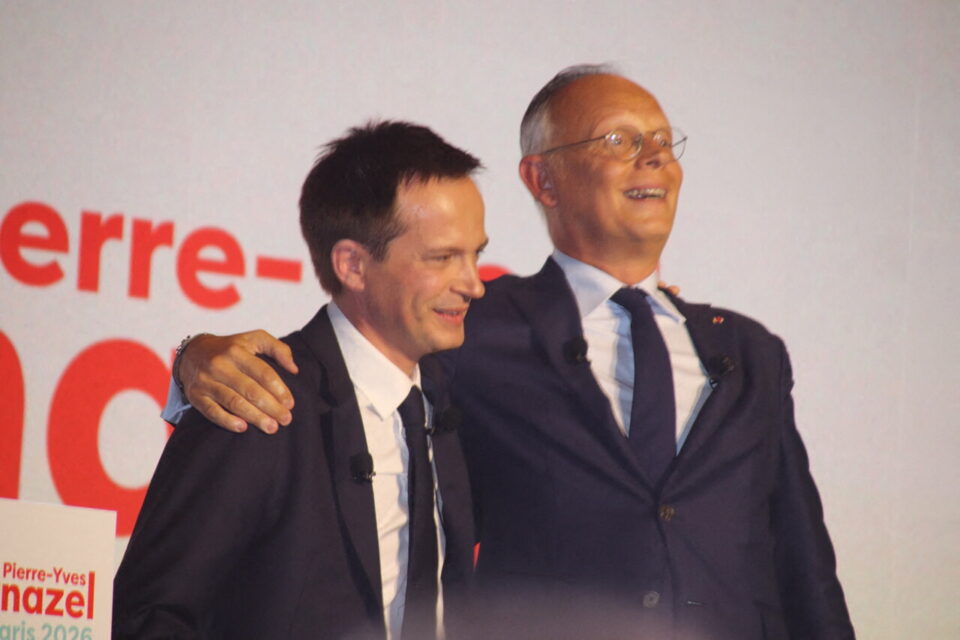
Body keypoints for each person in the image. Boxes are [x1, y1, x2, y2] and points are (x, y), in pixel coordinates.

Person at [167, 66, 854, 639]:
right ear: (542, 180)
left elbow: (804, 566)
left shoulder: (749, 352)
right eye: (619, 139)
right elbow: (347, 378)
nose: (653, 157)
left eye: (663, 141)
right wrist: (192, 356)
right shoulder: (471, 330)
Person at [114, 121, 487, 640]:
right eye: (443, 258)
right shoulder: (259, 401)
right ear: (353, 265)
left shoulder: (460, 397)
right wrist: (189, 356)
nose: (473, 284)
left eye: (476, 254)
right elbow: (150, 614)